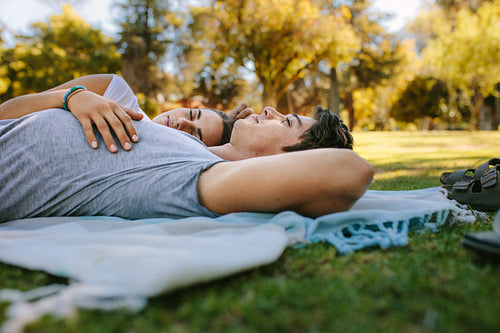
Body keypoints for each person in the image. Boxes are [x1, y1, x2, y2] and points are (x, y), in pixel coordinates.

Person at [0, 74, 373, 222]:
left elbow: (350, 171)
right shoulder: (170, 135)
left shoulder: (201, 177)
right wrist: (72, 97)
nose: (270, 110)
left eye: (287, 122)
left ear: (286, 162)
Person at [0, 74, 254, 148]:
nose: (181, 125)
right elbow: (5, 112)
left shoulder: (173, 162)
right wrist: (72, 97)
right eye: (190, 115)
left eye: (195, 135)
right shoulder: (115, 90)